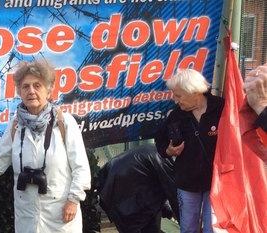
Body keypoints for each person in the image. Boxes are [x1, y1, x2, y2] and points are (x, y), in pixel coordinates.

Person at [0, 60, 91, 232]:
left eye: (38, 85)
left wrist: (73, 200)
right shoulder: (15, 126)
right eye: (25, 86)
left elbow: (81, 168)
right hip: (26, 218)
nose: (31, 91)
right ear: (19, 92)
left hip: (60, 216)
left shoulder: (64, 122)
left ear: (49, 90)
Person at [154, 69, 224, 233]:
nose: (175, 100)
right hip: (187, 180)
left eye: (178, 95)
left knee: (212, 228)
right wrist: (169, 151)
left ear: (194, 92)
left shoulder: (221, 108)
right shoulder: (177, 115)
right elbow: (160, 140)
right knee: (188, 228)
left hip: (216, 181)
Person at [96, 144, 179, 233]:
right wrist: (183, 219)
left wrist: (172, 213)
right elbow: (174, 196)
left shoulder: (159, 152)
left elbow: (163, 194)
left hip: (113, 185)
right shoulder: (167, 161)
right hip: (123, 193)